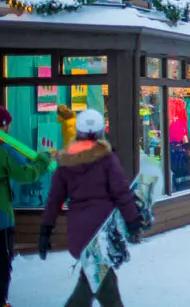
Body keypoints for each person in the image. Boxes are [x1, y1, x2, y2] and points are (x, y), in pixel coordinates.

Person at [39, 108, 141, 307]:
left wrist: (45, 230)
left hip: (78, 231)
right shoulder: (106, 159)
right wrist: (133, 220)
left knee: (94, 279)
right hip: (102, 231)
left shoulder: (66, 161)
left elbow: (54, 200)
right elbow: (121, 193)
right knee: (103, 287)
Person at [0, 105, 52, 307]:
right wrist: (43, 160)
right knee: (1, 271)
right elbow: (26, 173)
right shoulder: (2, 149)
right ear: (3, 126)